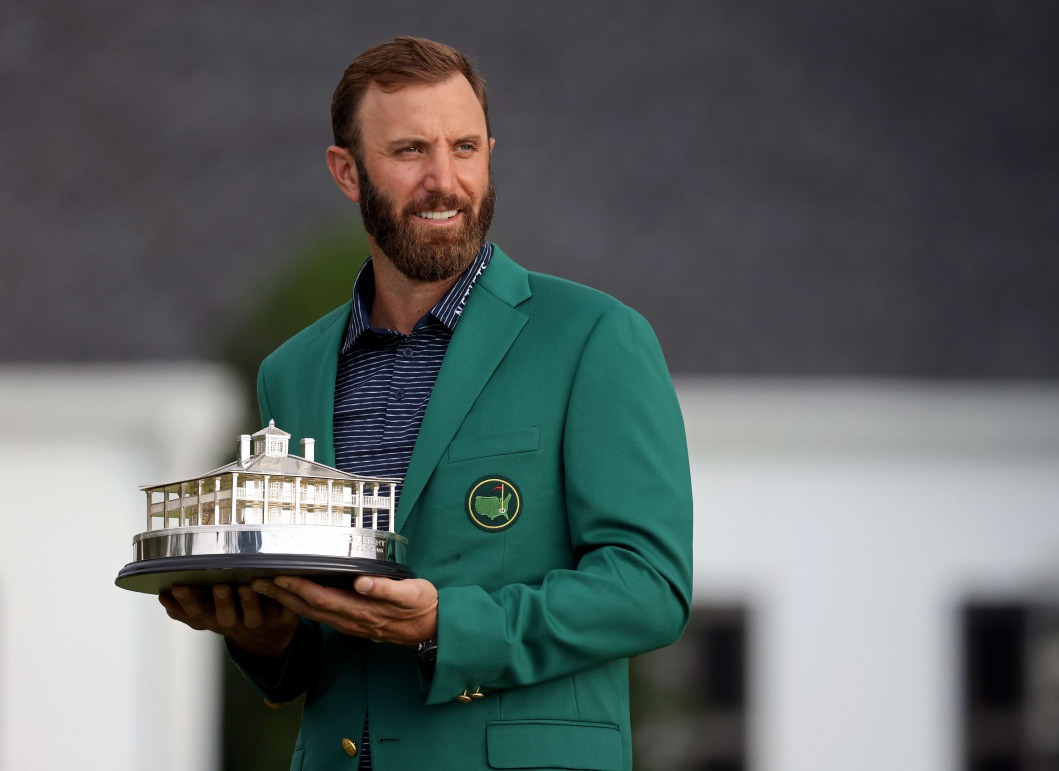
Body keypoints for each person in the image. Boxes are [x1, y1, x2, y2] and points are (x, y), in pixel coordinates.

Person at [160, 36, 692, 770]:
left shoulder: (597, 338)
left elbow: (650, 586)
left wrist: (448, 624)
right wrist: (267, 640)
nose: (446, 180)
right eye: (410, 150)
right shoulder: (292, 370)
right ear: (347, 172)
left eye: (466, 147)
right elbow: (325, 629)